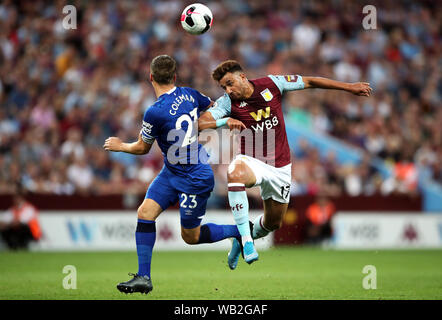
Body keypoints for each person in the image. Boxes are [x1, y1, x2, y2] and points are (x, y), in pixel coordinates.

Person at [198, 60, 372, 269]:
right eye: (223, 87)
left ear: (242, 77)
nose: (228, 90)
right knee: (234, 172)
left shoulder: (272, 84)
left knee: (273, 223)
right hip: (252, 161)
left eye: (230, 83)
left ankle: (238, 240)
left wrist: (349, 87)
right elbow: (201, 123)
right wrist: (223, 121)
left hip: (280, 167)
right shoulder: (227, 103)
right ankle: (245, 238)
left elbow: (308, 81)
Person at [103, 55, 242, 295]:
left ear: (151, 78)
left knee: (191, 236)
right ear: (175, 77)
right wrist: (223, 121)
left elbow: (142, 147)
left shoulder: (154, 112)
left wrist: (120, 145)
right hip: (172, 171)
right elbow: (212, 108)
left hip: (194, 176)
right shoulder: (190, 94)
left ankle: (238, 232)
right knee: (145, 212)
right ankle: (143, 277)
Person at [0, 185, 42, 250]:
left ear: (21, 198)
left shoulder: (29, 208)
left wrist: (9, 224)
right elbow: (4, 219)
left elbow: (21, 221)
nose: (15, 200)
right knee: (5, 229)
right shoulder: (13, 209)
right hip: (15, 229)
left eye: (17, 198)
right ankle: (12, 247)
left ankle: (22, 245)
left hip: (31, 232)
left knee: (22, 228)